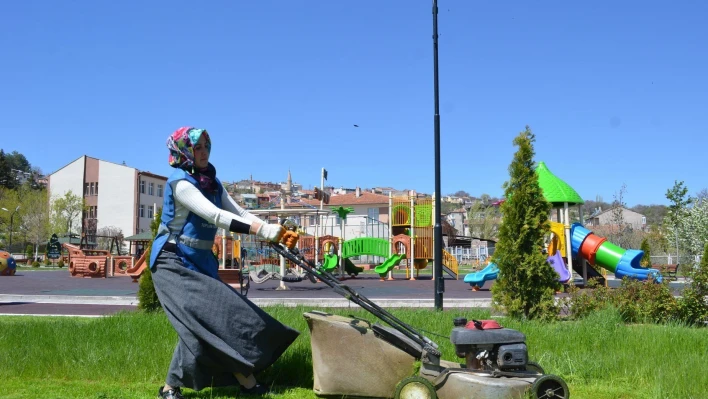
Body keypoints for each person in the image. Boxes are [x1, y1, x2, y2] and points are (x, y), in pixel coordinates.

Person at [149, 127, 300, 399]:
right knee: (221, 316)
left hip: (201, 260)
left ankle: (172, 388)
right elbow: (216, 215)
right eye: (198, 147)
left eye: (207, 146)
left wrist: (273, 231)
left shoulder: (212, 183)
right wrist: (264, 232)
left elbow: (239, 212)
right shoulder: (180, 183)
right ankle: (248, 383)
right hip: (173, 261)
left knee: (206, 322)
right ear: (184, 152)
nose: (204, 152)